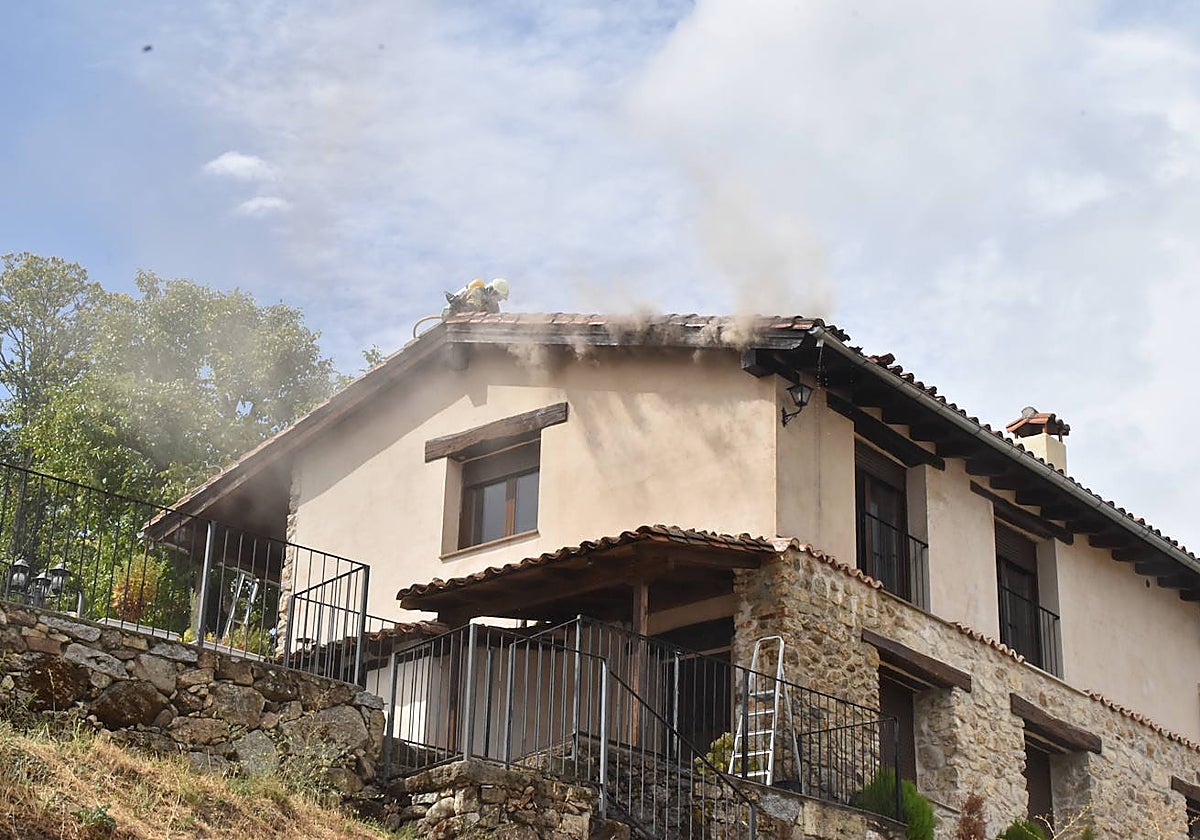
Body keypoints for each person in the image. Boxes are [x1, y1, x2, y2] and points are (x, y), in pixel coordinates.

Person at [443, 278, 510, 315]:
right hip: (454, 317)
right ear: (493, 292)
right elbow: (470, 311)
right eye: (499, 297)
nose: (499, 300)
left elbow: (496, 320)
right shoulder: (477, 293)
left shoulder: (494, 306)